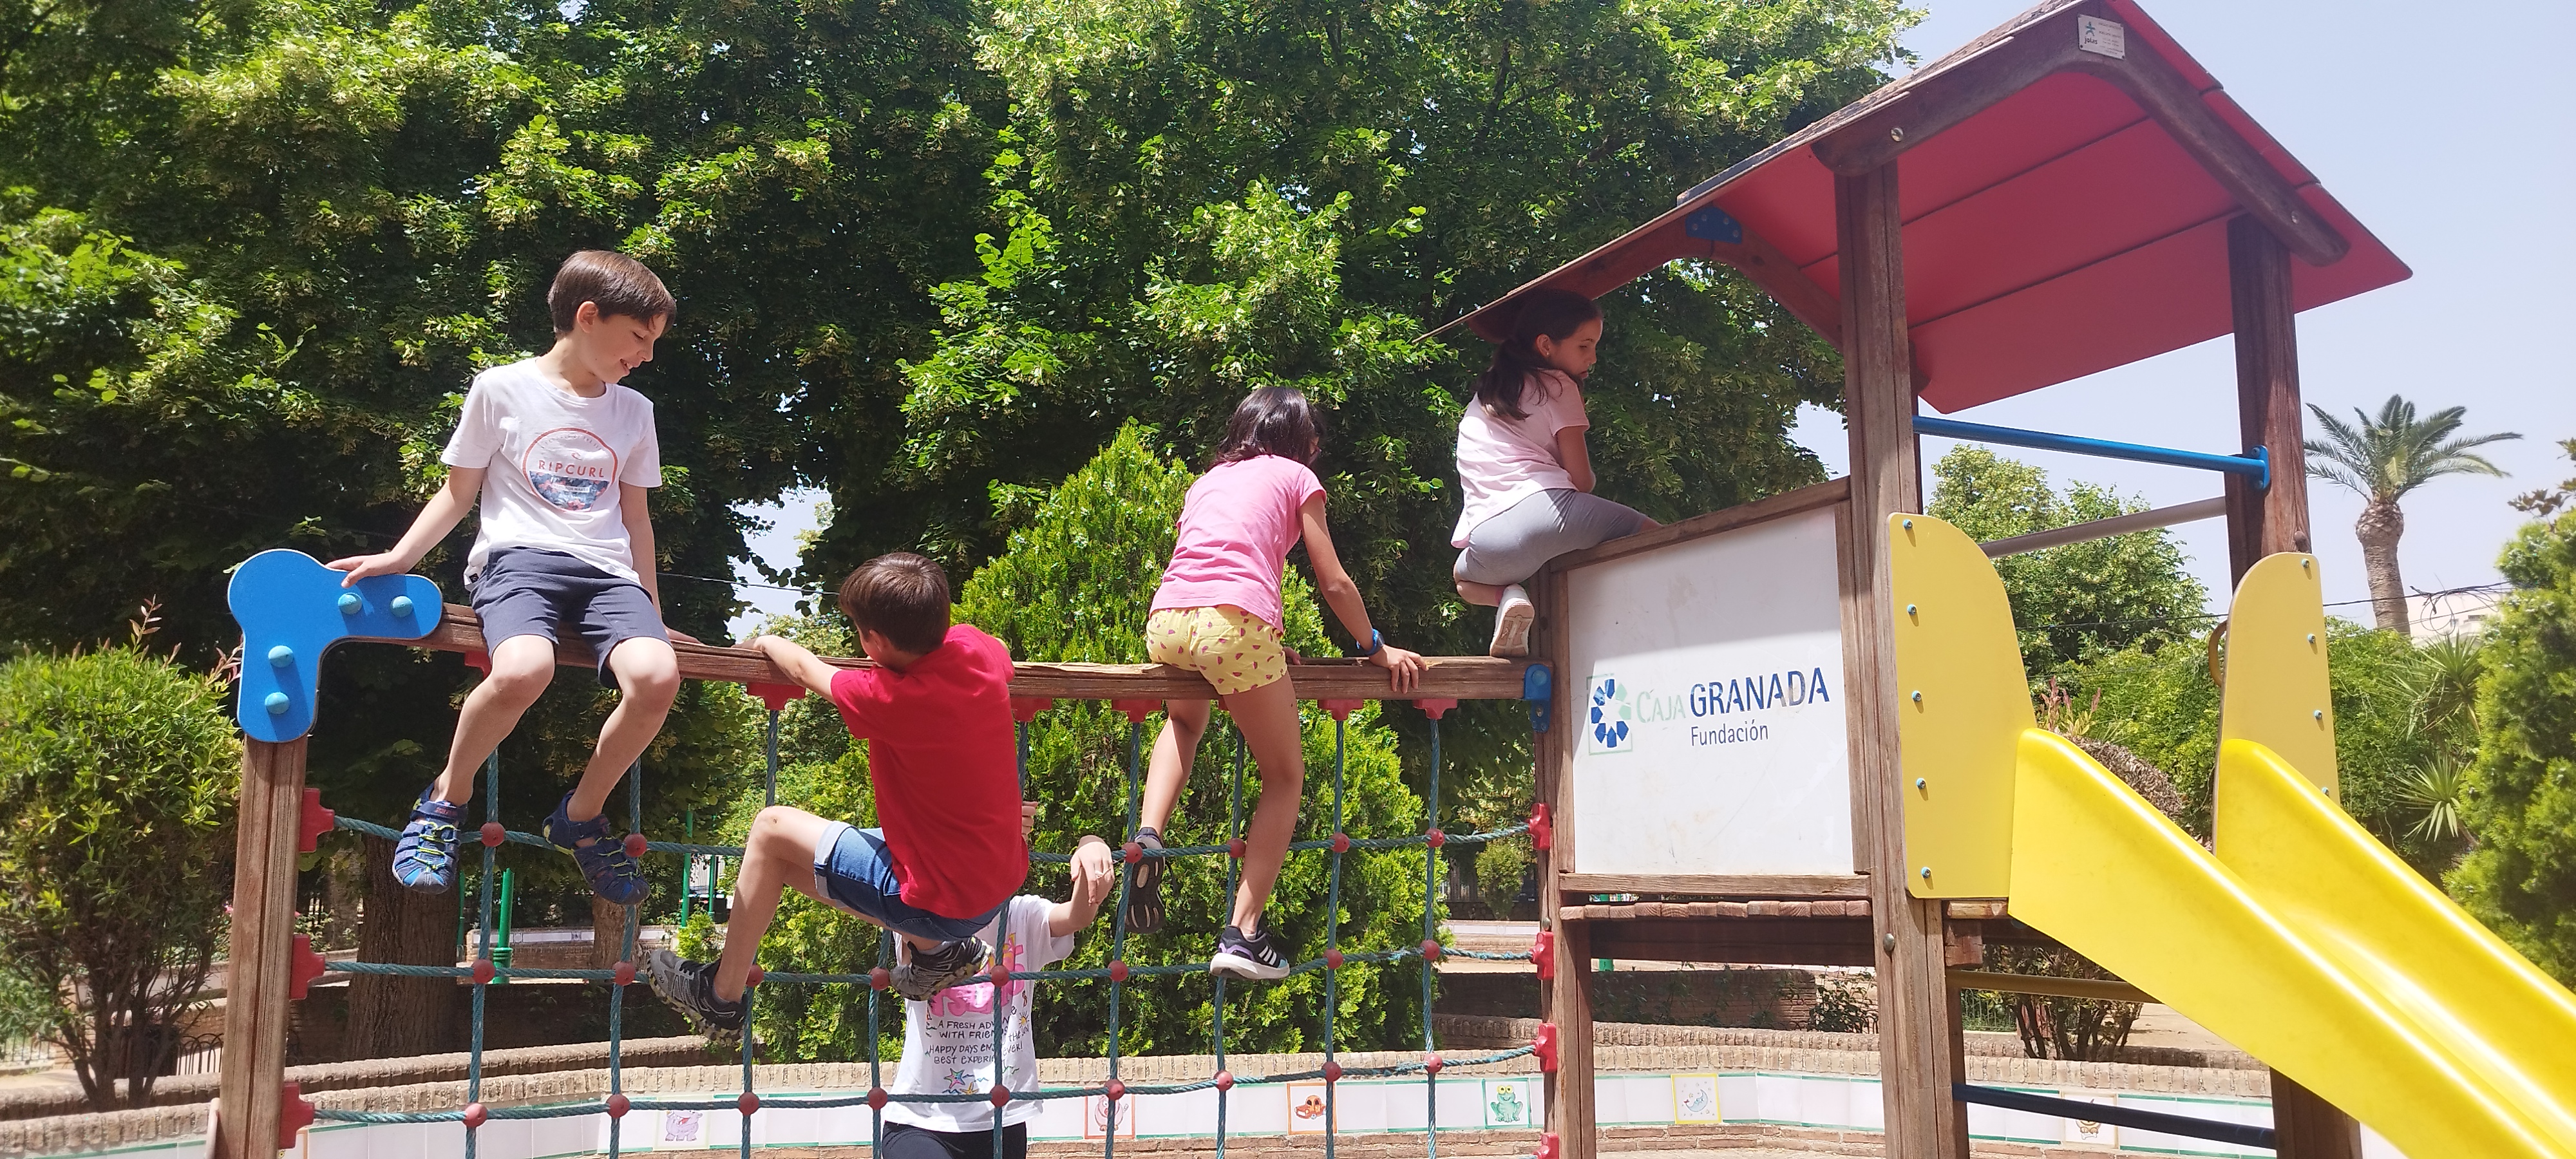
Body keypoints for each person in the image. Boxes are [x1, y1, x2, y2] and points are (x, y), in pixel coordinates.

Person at [328, 250, 692, 905]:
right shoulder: (500, 389)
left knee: (658, 677)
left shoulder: (634, 412)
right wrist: (399, 559)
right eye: (638, 337)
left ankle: (579, 817)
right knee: (525, 669)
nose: (646, 355)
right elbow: (456, 493)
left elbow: (636, 520)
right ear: (588, 317)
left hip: (609, 575)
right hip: (519, 558)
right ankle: (446, 799)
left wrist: (651, 609)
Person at [646, 552, 1030, 1026]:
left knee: (771, 829)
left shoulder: (890, 697)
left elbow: (807, 671)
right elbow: (1000, 650)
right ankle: (939, 955)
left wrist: (767, 640)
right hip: (995, 886)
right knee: (780, 863)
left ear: (874, 640)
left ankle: (720, 996)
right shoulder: (976, 652)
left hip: (941, 903)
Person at [1125, 387, 1425, 980]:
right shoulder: (1296, 477)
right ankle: (1242, 932)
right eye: (1313, 435)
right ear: (1296, 439)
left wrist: (1254, 638)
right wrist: (1375, 647)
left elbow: (1211, 560)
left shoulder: (1208, 480)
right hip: (1232, 627)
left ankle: (1149, 832)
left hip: (1169, 622)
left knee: (1183, 722)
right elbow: (1333, 581)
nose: (1317, 446)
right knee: (1285, 777)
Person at [871, 824, 1113, 1159]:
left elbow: (1077, 916)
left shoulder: (1023, 915)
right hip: (921, 1119)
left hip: (1002, 1117)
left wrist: (1091, 845)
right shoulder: (926, 918)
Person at [1451, 288, 1658, 657]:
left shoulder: (1486, 397)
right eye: (1584, 345)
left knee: (1462, 579)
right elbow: (1581, 480)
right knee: (1660, 538)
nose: (1593, 357)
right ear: (1546, 344)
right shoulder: (1558, 386)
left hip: (1488, 538)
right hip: (1546, 512)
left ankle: (1508, 598)